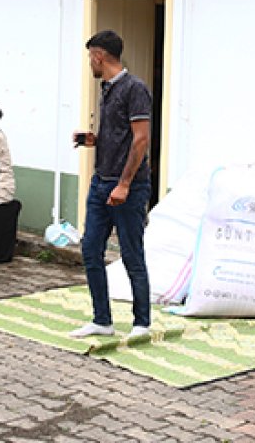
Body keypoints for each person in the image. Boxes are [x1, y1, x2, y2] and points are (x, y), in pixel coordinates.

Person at [69, 30, 153, 339]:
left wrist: (125, 184)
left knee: (132, 253)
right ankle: (102, 320)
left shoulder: (135, 88)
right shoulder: (106, 88)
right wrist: (93, 140)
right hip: (100, 183)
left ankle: (142, 323)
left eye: (90, 57)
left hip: (127, 188)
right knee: (91, 249)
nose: (89, 63)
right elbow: (120, 136)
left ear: (98, 56)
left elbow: (141, 139)